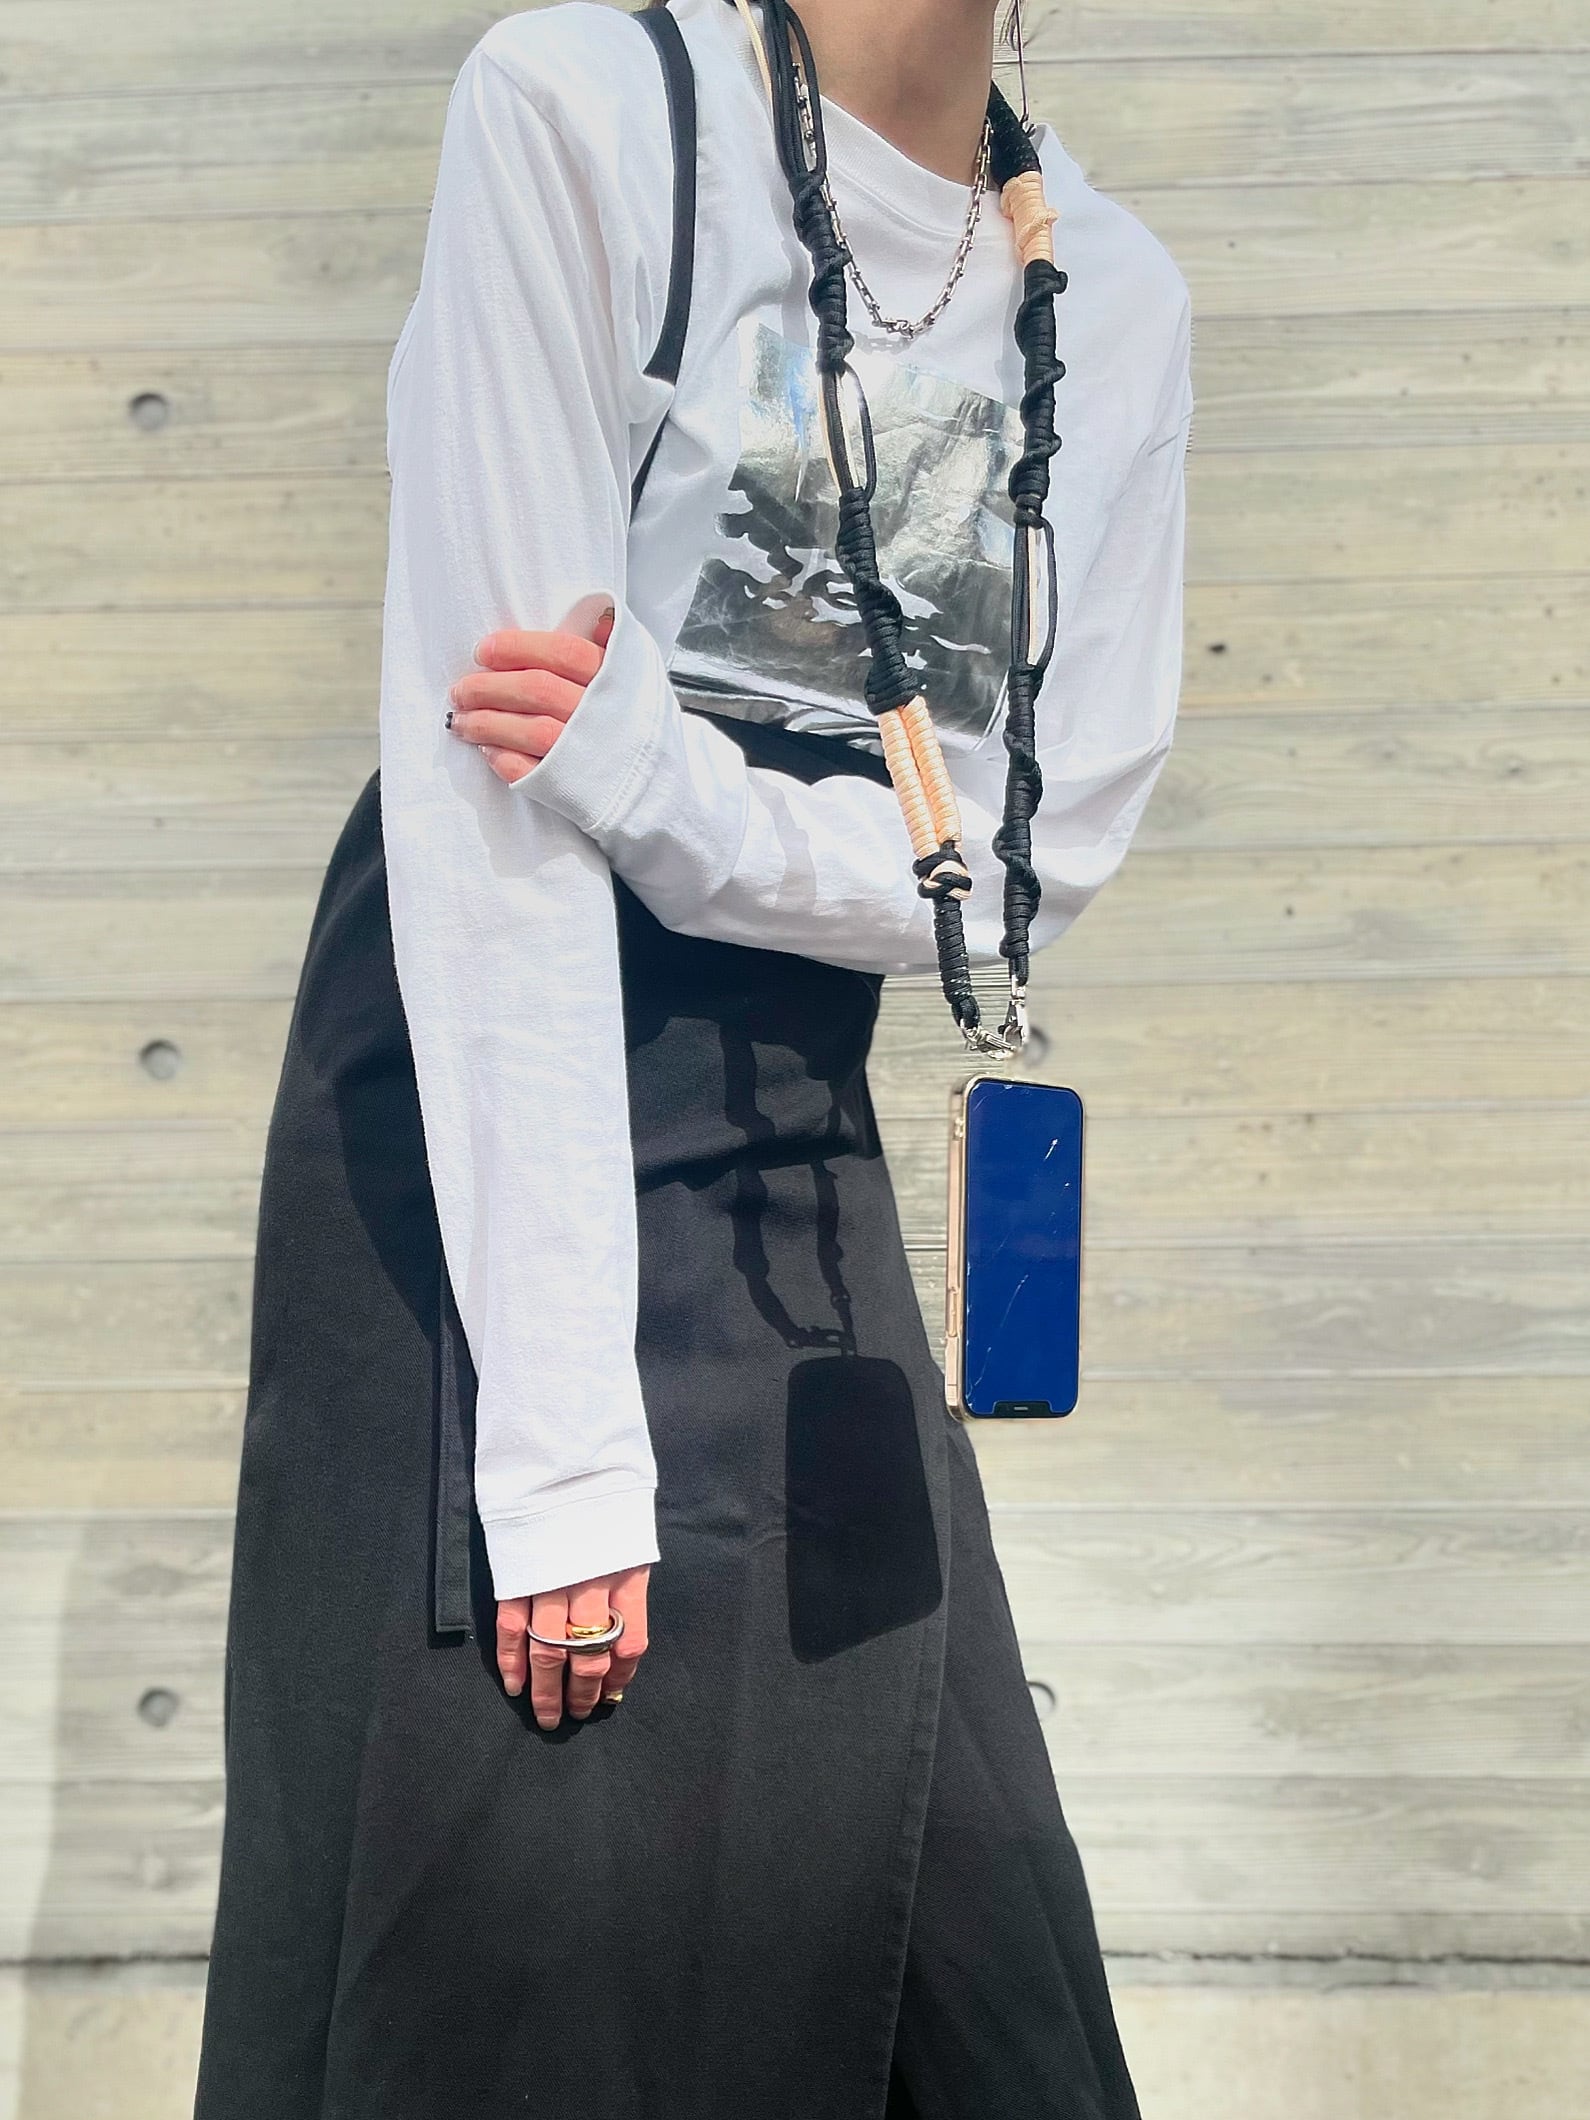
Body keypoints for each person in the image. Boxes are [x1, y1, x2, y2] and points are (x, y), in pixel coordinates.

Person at [191, 1, 1193, 2114]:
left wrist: (667, 789)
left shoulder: (1105, 298)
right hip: (486, 1120)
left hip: (793, 1115)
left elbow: (1026, 864)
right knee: (527, 1927)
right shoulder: (587, 117)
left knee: (953, 1925)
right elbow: (492, 804)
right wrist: (560, 1453)